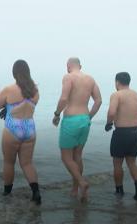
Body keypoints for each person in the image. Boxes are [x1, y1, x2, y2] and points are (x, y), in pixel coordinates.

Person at [52, 57, 102, 201]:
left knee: (66, 157)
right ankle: (76, 190)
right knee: (77, 156)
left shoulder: (68, 77)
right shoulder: (90, 79)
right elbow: (98, 101)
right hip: (84, 120)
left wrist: (56, 114)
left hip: (71, 120)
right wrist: (89, 117)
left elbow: (63, 99)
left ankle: (81, 182)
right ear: (80, 65)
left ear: (68, 66)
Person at [0, 59, 41, 205]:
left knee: (9, 162)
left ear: (14, 73)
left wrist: (4, 103)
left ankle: (7, 193)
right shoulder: (35, 89)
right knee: (27, 163)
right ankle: (36, 193)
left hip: (13, 128)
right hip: (30, 128)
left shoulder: (9, 89)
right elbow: (27, 104)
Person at [105, 72, 137, 201]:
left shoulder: (116, 95)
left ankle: (119, 191)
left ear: (117, 82)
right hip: (136, 132)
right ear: (129, 81)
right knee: (132, 162)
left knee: (117, 163)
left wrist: (108, 123)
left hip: (122, 133)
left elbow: (111, 112)